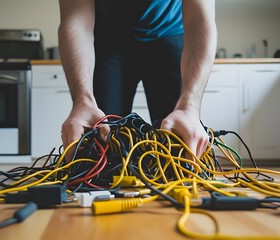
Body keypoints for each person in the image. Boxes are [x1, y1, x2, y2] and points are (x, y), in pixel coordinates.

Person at [58, 0, 217, 161]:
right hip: (110, 38)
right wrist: (82, 100)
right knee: (100, 145)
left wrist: (189, 107)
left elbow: (200, 20)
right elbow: (76, 20)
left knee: (179, 147)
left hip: (169, 33)